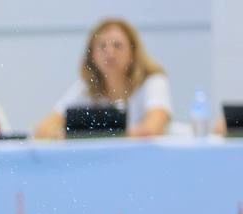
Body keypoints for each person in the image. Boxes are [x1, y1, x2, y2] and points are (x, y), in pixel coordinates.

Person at [34, 19, 171, 139]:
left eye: (117, 45)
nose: (110, 53)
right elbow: (43, 129)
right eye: (102, 46)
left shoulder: (152, 82)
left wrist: (88, 136)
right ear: (92, 55)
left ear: (133, 52)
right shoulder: (86, 88)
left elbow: (152, 129)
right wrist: (63, 135)